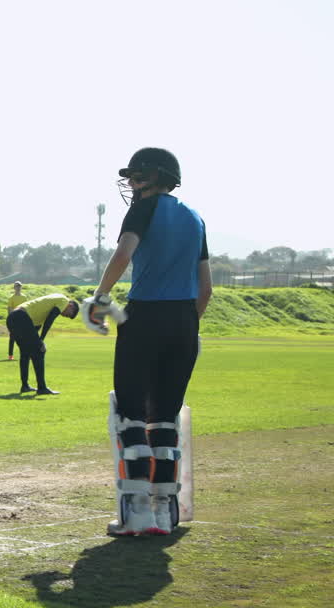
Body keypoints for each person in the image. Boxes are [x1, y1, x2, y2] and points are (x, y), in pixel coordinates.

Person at [94, 147, 212, 536]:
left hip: (145, 315)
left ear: (157, 177)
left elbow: (122, 254)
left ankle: (137, 514)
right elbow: (205, 289)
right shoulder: (196, 218)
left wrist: (100, 298)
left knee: (130, 417)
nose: (132, 183)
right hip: (184, 321)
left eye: (138, 176)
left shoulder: (144, 208)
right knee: (165, 419)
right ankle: (166, 512)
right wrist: (181, 325)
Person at [6, 293, 78, 395]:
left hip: (13, 317)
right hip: (21, 317)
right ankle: (42, 388)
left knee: (25, 353)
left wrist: (38, 340)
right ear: (71, 306)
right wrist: (41, 341)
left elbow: (35, 328)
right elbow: (50, 318)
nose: (65, 316)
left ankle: (25, 386)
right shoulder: (64, 300)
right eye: (69, 314)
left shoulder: (45, 307)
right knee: (39, 351)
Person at [5, 281, 26, 360]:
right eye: (17, 286)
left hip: (22, 320)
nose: (18, 288)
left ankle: (25, 354)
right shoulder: (11, 298)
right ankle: (10, 355)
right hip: (14, 320)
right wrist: (11, 321)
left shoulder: (24, 297)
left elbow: (26, 308)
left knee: (24, 338)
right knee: (12, 338)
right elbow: (10, 309)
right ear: (14, 288)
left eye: (19, 286)